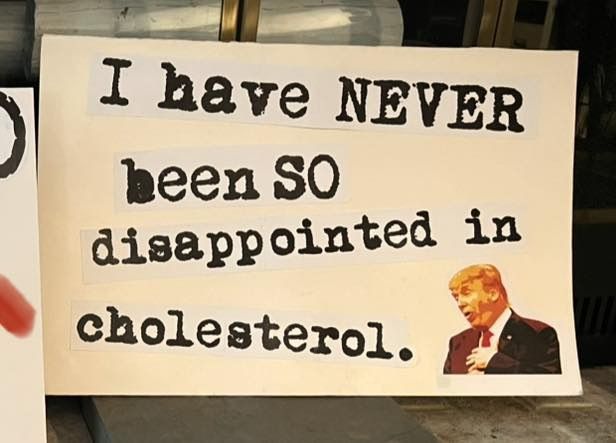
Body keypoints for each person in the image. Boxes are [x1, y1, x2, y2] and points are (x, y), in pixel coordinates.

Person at [443, 264, 561, 374]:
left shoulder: (537, 333)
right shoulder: (457, 344)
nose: (460, 303)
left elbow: (549, 380)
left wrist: (494, 361)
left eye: (467, 293)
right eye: (456, 297)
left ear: (493, 294)